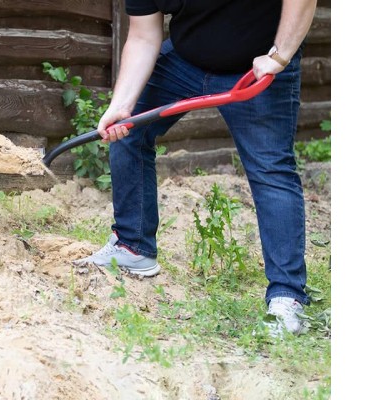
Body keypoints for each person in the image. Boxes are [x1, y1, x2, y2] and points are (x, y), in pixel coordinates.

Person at [74, 0, 318, 336]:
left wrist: (280, 55)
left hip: (258, 68)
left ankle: (287, 297)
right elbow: (144, 37)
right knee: (129, 131)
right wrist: (121, 106)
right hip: (186, 60)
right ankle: (133, 247)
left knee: (271, 171)